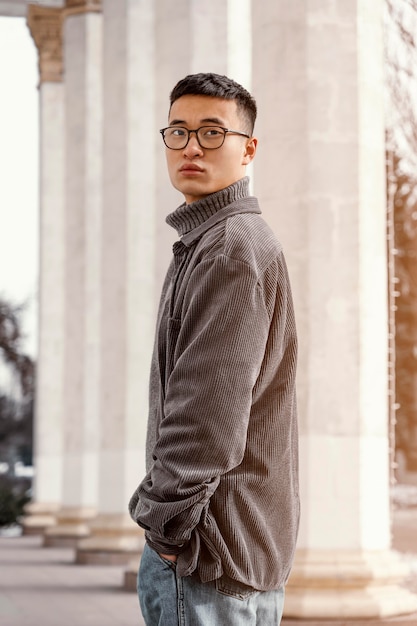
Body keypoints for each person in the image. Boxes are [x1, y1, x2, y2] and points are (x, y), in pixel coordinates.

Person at [129, 72, 299, 625]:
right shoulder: (210, 242)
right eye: (177, 132)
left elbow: (207, 416)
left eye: (210, 132)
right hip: (223, 549)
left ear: (248, 150)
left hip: (208, 554)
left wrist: (164, 527)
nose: (191, 147)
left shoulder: (229, 249)